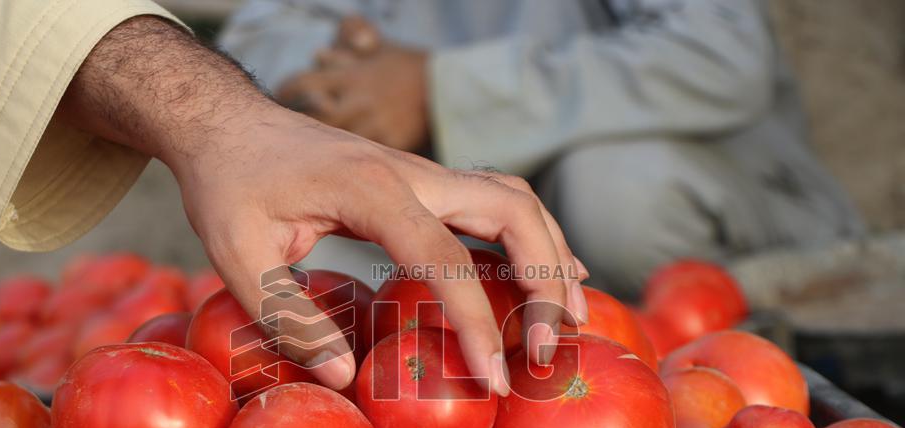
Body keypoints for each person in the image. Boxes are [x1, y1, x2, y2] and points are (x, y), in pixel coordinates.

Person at [0, 0, 592, 397]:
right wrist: (253, 113)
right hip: (332, 135)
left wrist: (443, 89)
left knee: (622, 189)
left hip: (526, 132)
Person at [219, 0, 864, 296]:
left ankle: (722, 350)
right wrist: (346, 85)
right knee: (283, 224)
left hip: (714, 199)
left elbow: (718, 55)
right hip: (475, 231)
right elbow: (260, 36)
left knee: (616, 191)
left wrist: (443, 94)